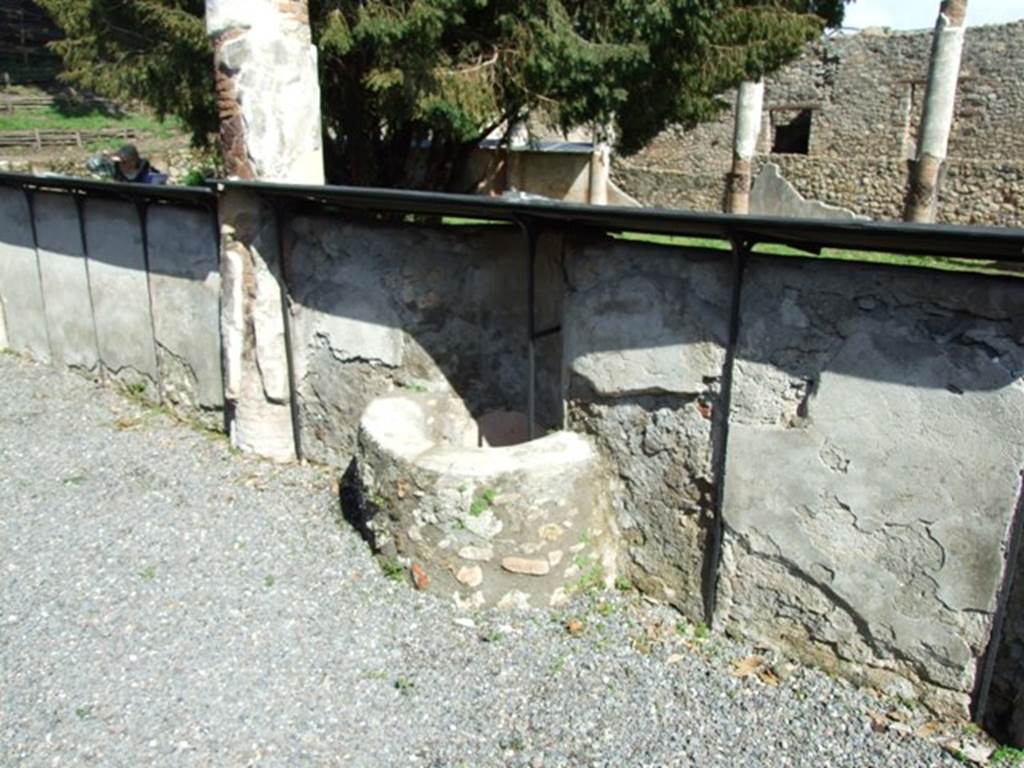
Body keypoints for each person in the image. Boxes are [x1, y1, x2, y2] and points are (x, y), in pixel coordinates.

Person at [86, 144, 168, 184]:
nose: (122, 164)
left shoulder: (145, 169)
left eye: (125, 162)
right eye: (121, 162)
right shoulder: (115, 169)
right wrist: (103, 157)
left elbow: (160, 180)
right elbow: (91, 166)